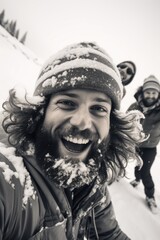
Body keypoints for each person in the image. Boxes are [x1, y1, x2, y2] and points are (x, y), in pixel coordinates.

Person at [0, 42, 145, 239]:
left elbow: (110, 234)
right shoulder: (9, 180)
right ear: (39, 112)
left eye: (99, 108)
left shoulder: (94, 185)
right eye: (67, 103)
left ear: (111, 124)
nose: (82, 122)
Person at [128, 75, 160, 213]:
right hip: (135, 144)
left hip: (150, 147)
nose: (151, 95)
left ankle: (150, 196)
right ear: (143, 92)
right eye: (148, 92)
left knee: (145, 171)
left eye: (154, 93)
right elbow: (125, 120)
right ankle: (136, 179)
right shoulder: (135, 106)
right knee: (137, 166)